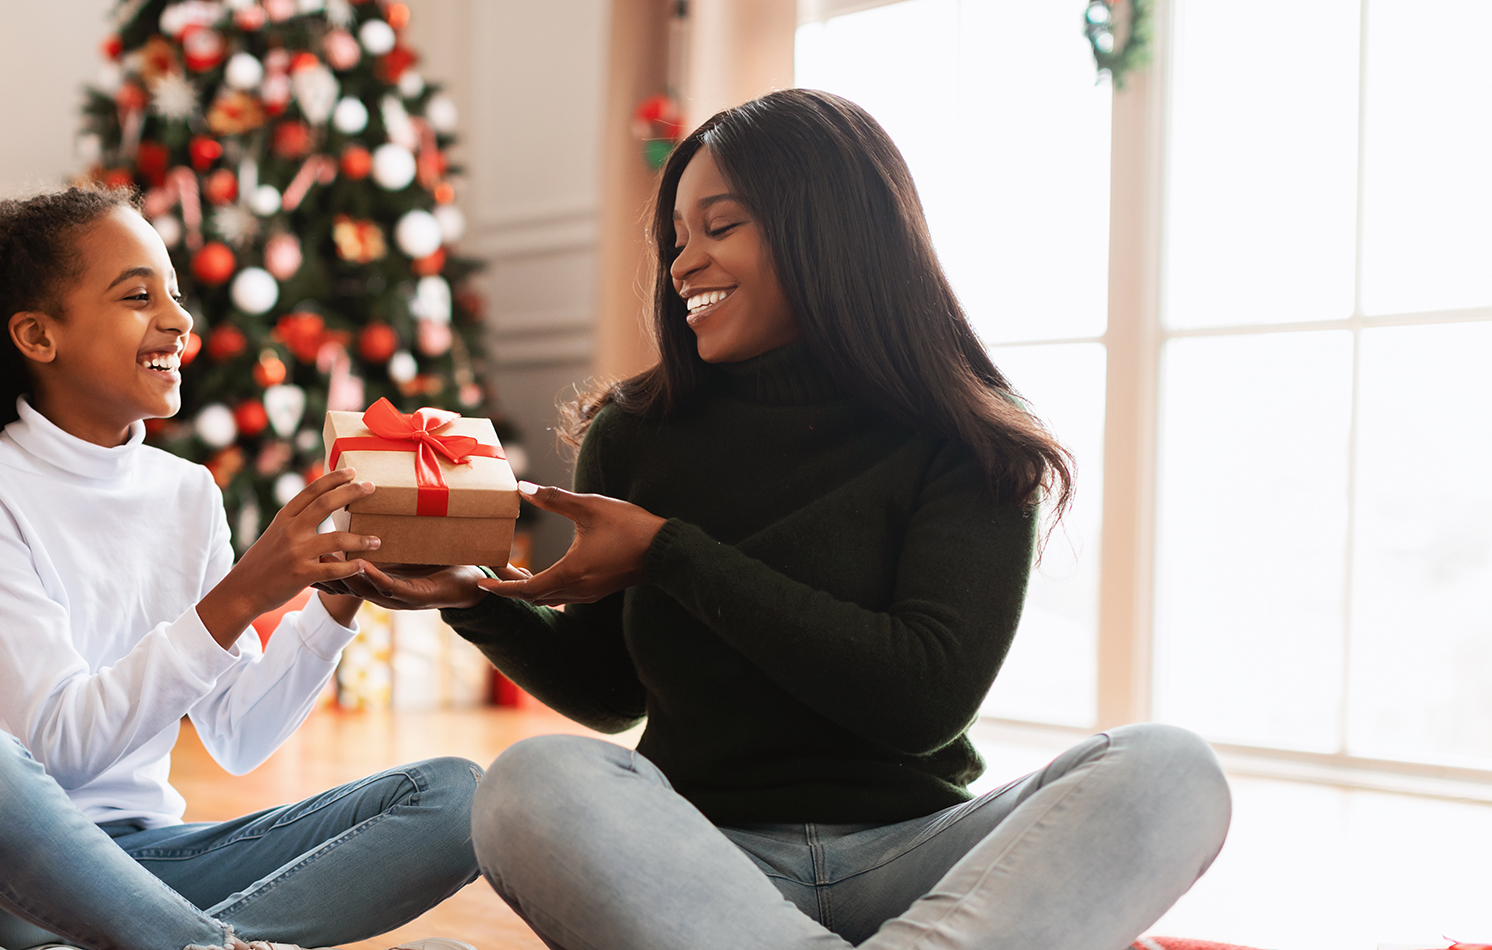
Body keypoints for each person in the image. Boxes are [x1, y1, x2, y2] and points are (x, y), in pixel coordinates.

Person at [327, 88, 1232, 950]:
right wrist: (474, 599)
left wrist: (670, 554)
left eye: (721, 226)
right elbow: (609, 693)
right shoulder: (636, 435)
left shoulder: (966, 439)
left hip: (917, 851)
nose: (683, 263)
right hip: (701, 859)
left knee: (1169, 769)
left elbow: (921, 701)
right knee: (527, 782)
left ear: (832, 235)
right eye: (676, 236)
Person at [0, 188, 480, 950]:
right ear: (37, 334)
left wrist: (335, 602)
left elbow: (239, 734)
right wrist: (242, 595)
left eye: (176, 295)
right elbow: (58, 741)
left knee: (455, 798)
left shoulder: (186, 492)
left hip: (152, 868)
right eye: (138, 296)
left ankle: (169, 942)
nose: (180, 319)